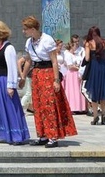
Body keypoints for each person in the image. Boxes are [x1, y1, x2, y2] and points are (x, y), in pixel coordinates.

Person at [19, 16, 77, 148]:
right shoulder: (29, 42)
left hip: (48, 73)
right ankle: (42, 135)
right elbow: (28, 61)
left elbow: (54, 61)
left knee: (49, 105)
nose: (24, 31)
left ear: (33, 29)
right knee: (38, 105)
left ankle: (53, 136)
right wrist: (22, 77)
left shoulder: (47, 40)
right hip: (37, 74)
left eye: (25, 29)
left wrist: (56, 80)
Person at [83, 26, 105, 125]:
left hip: (95, 67)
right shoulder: (104, 42)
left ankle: (95, 116)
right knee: (103, 92)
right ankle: (103, 115)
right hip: (104, 67)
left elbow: (87, 58)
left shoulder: (89, 43)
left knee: (94, 92)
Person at [63, 42, 85, 114]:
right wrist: (79, 68)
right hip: (72, 74)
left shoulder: (75, 55)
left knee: (78, 90)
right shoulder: (68, 55)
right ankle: (72, 107)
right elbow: (70, 66)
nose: (76, 48)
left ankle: (79, 107)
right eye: (74, 46)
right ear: (71, 47)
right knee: (72, 90)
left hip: (77, 73)